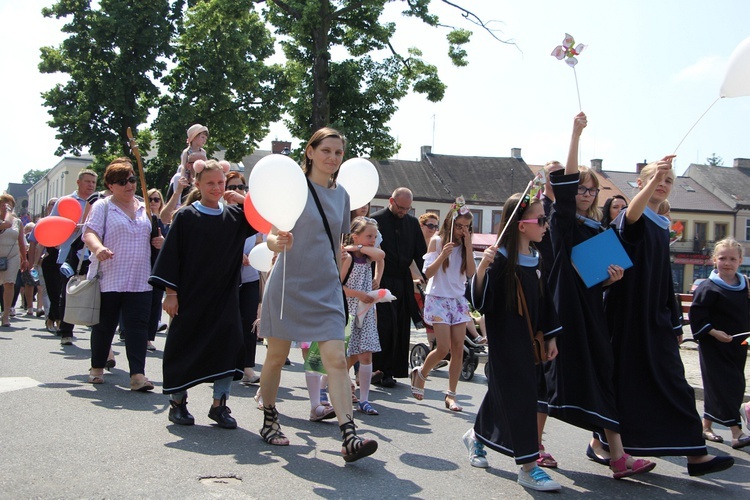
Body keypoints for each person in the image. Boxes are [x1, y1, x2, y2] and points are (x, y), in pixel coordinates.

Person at [603, 156, 734, 477]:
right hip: (628, 317)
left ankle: (694, 454)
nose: (663, 184)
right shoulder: (631, 218)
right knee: (626, 382)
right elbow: (632, 215)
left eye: (668, 180)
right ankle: (605, 443)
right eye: (657, 179)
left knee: (675, 382)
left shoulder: (664, 226)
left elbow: (663, 281)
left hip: (656, 319)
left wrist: (674, 321)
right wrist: (651, 181)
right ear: (641, 184)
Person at [258, 127, 378, 463]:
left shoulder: (342, 197)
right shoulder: (293, 186)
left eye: (338, 153)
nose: (333, 158)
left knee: (337, 360)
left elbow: (338, 241)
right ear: (310, 152)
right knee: (276, 358)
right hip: (288, 285)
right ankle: (269, 417)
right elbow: (270, 236)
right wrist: (276, 242)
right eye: (326, 150)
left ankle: (348, 434)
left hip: (325, 286)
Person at [546, 112, 655, 479]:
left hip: (592, 307)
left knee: (602, 371)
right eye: (581, 188)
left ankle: (617, 455)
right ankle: (535, 444)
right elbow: (567, 180)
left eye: (591, 190)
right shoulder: (561, 220)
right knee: (552, 374)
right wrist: (575, 133)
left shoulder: (598, 228)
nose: (586, 194)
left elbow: (599, 276)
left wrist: (612, 279)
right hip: (565, 309)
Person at [462, 192, 562, 492]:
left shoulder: (537, 258)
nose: (546, 225)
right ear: (522, 225)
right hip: (506, 342)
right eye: (542, 220)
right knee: (520, 398)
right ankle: (529, 467)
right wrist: (481, 269)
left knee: (504, 395)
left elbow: (544, 302)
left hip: (529, 341)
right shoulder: (500, 259)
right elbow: (479, 302)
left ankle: (477, 436)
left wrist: (551, 334)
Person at [150, 159, 256, 428]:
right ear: (197, 184)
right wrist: (171, 293)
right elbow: (171, 257)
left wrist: (241, 198)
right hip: (191, 297)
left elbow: (263, 219)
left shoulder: (234, 215)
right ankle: (178, 402)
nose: (217, 187)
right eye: (210, 183)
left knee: (226, 347)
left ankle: (219, 405)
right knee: (183, 347)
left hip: (224, 298)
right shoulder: (186, 216)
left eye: (221, 182)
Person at [82, 158, 162, 391]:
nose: (129, 185)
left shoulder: (144, 207)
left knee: (137, 327)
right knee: (104, 325)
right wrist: (98, 248)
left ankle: (137, 375)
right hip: (109, 276)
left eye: (131, 179)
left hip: (140, 278)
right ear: (110, 186)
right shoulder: (103, 206)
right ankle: (97, 367)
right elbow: (89, 233)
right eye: (122, 181)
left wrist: (159, 241)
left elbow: (156, 235)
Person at [410, 208, 476, 412]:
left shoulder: (466, 244)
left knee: (458, 349)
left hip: (457, 300)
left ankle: (451, 395)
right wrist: (442, 255)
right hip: (438, 298)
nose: (462, 230)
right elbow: (427, 273)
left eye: (466, 227)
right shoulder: (437, 241)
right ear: (450, 224)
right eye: (459, 226)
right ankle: (421, 373)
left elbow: (472, 273)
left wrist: (468, 246)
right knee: (443, 348)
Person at [689, 238, 750, 449]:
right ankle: (736, 431)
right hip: (713, 345)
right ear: (714, 260)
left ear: (740, 260)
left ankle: (706, 427)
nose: (727, 263)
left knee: (734, 384)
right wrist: (714, 333)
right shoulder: (708, 286)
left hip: (737, 345)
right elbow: (697, 316)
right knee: (725, 385)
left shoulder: (745, 285)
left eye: (732, 259)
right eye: (722, 258)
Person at [372, 188, 427, 387]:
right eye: (400, 207)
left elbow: (420, 253)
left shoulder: (412, 224)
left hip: (402, 280)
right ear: (391, 201)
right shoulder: (375, 221)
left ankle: (392, 370)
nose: (403, 212)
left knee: (401, 326)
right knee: (384, 326)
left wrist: (423, 275)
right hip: (381, 279)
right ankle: (378, 369)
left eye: (407, 208)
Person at [341, 216, 385, 415]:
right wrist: (360, 294)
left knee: (365, 353)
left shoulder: (366, 255)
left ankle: (364, 399)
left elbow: (380, 255)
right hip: (348, 309)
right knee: (344, 354)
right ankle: (329, 384)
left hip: (365, 311)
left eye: (375, 236)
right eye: (369, 236)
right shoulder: (347, 258)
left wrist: (359, 247)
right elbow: (338, 287)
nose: (373, 240)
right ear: (355, 236)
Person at [52, 169, 98, 345]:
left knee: (94, 291)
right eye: (87, 182)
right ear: (78, 183)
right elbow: (53, 224)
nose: (91, 185)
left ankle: (96, 328)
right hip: (69, 254)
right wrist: (70, 228)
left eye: (93, 182)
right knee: (68, 291)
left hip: (91, 254)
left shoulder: (99, 202)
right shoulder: (66, 202)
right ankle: (66, 331)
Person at [225, 171, 262, 386]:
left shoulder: (251, 212)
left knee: (249, 321)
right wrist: (237, 255)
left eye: (241, 187)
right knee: (227, 320)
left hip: (249, 276)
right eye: (233, 187)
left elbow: (262, 235)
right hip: (225, 277)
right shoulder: (220, 212)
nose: (237, 191)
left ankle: (247, 366)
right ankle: (224, 363)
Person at [161, 124, 209, 224]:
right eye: (202, 137)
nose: (204, 140)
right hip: (186, 172)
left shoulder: (203, 152)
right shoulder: (187, 151)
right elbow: (183, 165)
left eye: (205, 138)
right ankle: (177, 201)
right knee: (177, 177)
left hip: (197, 174)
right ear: (194, 137)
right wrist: (183, 177)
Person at [146, 188, 168, 351]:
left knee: (155, 303)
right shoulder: (142, 218)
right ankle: (128, 331)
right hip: (143, 264)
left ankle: (148, 337)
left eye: (156, 199)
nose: (153, 202)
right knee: (140, 302)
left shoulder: (165, 221)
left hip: (159, 265)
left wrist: (163, 241)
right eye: (150, 199)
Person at [0, 195, 28, 327]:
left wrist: (24, 259)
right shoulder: (8, 221)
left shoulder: (18, 222)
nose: (6, 207)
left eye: (9, 205)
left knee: (9, 284)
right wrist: (8, 213)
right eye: (3, 204)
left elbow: (21, 242)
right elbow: (7, 224)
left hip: (12, 257)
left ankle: (6, 315)